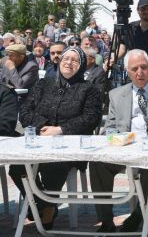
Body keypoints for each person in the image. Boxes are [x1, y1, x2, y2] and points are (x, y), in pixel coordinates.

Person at [10, 47, 101, 230]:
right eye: (66, 58)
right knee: (17, 167)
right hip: (39, 140)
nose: (68, 62)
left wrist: (60, 129)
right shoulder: (43, 84)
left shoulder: (88, 89)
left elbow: (91, 118)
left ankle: (44, 207)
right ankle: (46, 205)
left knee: (54, 165)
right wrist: (42, 127)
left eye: (75, 60)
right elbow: (25, 110)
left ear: (81, 65)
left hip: (70, 145)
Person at [90, 49, 148, 233]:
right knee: (97, 163)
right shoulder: (116, 94)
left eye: (144, 67)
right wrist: (115, 138)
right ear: (127, 71)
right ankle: (106, 220)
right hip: (124, 148)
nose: (140, 72)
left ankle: (137, 214)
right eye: (134, 68)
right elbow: (110, 128)